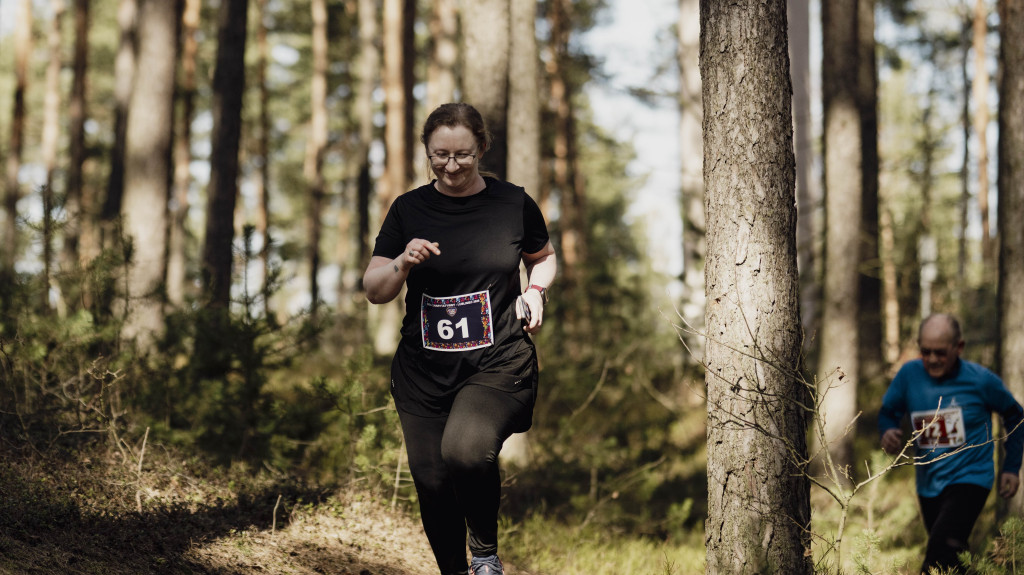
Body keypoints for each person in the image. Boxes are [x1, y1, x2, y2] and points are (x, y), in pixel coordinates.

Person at [363, 102, 556, 575]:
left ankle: (485, 557)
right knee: (431, 481)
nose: (451, 166)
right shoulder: (408, 210)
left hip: (498, 362)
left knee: (465, 451)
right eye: (439, 156)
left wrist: (536, 290)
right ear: (427, 152)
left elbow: (543, 256)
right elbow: (374, 290)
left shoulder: (513, 203)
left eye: (463, 155)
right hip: (423, 372)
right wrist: (402, 263)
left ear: (482, 148)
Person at [878, 313, 1024, 574]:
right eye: (926, 351)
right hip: (928, 484)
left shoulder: (980, 380)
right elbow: (888, 411)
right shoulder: (909, 375)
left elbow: (1015, 416)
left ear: (959, 347)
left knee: (938, 553)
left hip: (971, 479)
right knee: (953, 557)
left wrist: (1012, 466)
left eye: (940, 353)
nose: (932, 359)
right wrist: (887, 430)